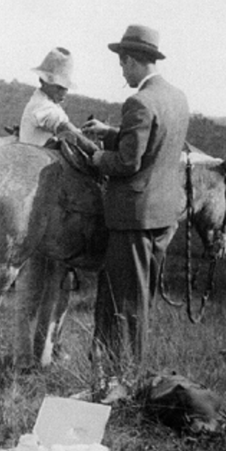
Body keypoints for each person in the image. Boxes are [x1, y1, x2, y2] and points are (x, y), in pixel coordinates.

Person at [81, 25, 190, 374]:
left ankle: (121, 376)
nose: (121, 71)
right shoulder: (176, 96)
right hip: (161, 215)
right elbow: (156, 143)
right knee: (140, 296)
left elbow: (129, 161)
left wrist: (99, 158)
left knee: (122, 299)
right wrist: (113, 133)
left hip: (132, 217)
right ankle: (127, 372)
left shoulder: (139, 101)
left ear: (132, 60)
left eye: (122, 64)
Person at [19, 47, 83, 146]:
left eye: (65, 88)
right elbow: (62, 126)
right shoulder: (41, 105)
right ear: (43, 81)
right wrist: (91, 147)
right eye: (59, 87)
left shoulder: (50, 103)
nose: (63, 93)